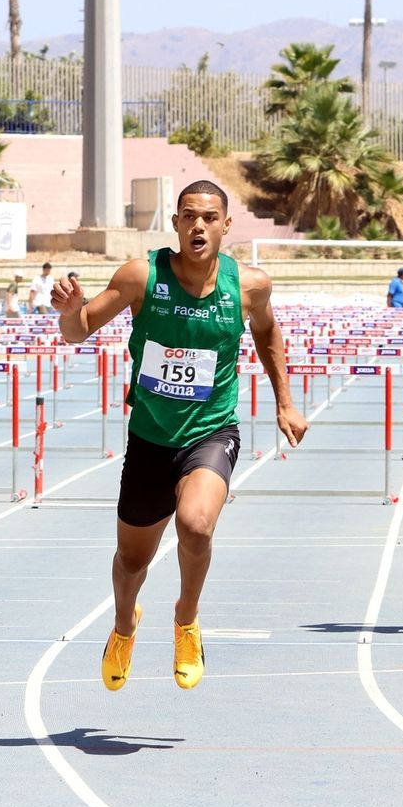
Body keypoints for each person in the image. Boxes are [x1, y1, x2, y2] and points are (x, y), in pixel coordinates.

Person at [52, 180, 307, 692]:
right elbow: (79, 330)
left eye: (210, 217)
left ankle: (186, 620)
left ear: (226, 226)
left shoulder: (250, 285)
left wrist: (285, 400)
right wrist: (68, 309)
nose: (199, 226)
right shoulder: (141, 277)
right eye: (189, 216)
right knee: (131, 562)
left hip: (211, 430)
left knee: (195, 525)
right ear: (175, 223)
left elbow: (267, 331)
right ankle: (124, 625)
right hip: (149, 437)